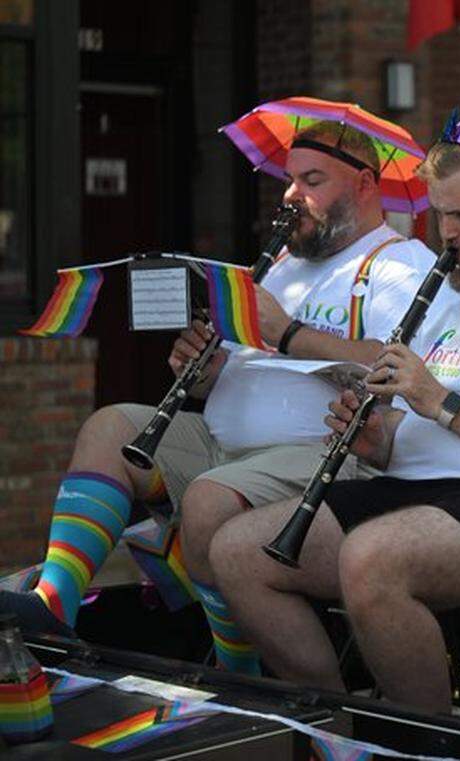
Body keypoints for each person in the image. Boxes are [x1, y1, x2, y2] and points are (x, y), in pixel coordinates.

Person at [207, 105, 460, 713]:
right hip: (420, 485)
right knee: (238, 551)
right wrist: (383, 439)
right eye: (438, 216)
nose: (446, 236)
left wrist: (442, 402)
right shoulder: (457, 282)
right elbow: (414, 415)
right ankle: (338, 726)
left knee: (372, 560)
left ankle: (426, 739)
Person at [1, 119, 437, 679]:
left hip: (321, 455)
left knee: (208, 499)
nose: (291, 195)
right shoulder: (278, 268)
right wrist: (202, 370)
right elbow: (240, 367)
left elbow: (392, 366)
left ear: (364, 185)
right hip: (225, 445)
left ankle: (238, 670)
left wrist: (288, 333)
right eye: (288, 181)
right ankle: (52, 607)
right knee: (110, 429)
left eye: (311, 180)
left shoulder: (400, 265)